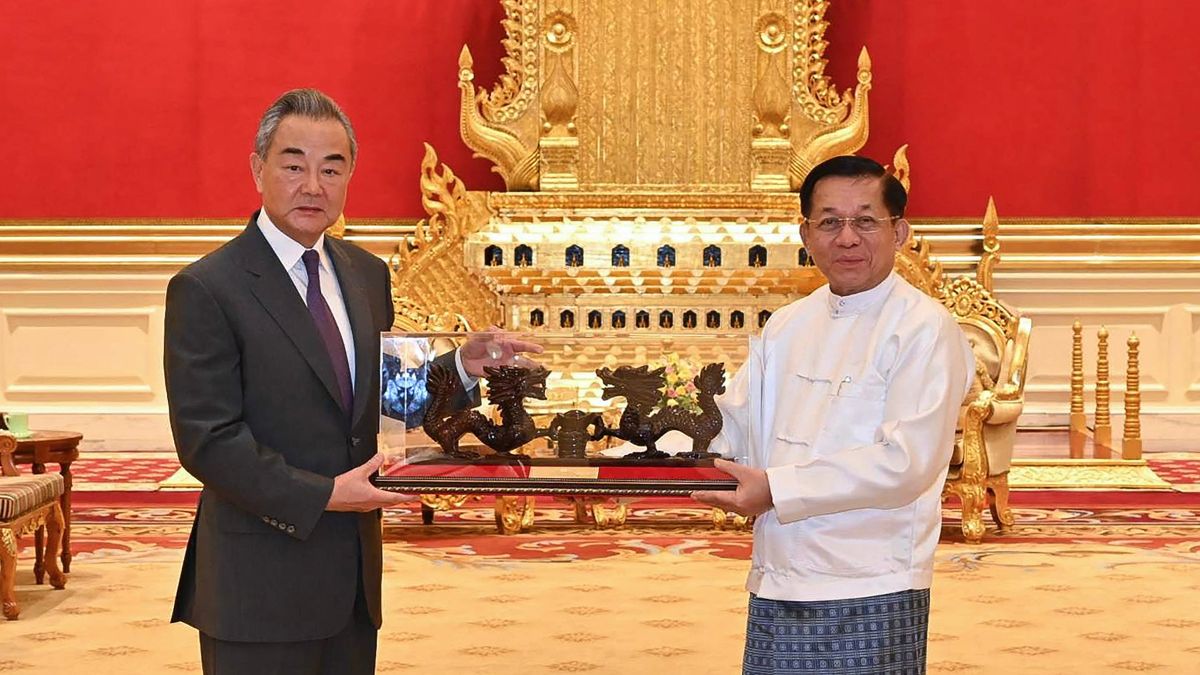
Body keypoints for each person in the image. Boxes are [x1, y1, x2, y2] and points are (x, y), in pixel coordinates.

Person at [164, 88, 538, 675]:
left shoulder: (366, 274)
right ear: (258, 169)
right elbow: (207, 441)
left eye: (331, 167)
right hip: (257, 588)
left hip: (353, 591)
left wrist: (464, 366)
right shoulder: (209, 288)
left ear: (348, 178)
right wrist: (325, 495)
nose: (312, 184)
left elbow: (390, 401)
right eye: (294, 165)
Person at [693, 155, 974, 674]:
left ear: (900, 231)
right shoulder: (787, 325)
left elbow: (906, 464)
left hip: (873, 577)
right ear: (805, 233)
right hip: (780, 570)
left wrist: (776, 489)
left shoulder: (924, 330)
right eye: (829, 222)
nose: (847, 237)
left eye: (866, 220)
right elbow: (732, 425)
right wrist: (642, 454)